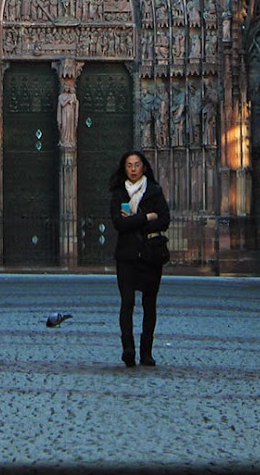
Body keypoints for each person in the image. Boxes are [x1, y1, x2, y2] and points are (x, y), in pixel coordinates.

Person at [110, 149, 171, 367]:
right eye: (129, 165)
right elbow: (119, 223)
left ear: (143, 166)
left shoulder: (154, 191)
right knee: (127, 303)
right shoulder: (119, 194)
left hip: (150, 255)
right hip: (127, 255)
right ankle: (128, 349)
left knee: (149, 304)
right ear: (124, 168)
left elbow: (164, 219)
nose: (133, 169)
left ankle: (147, 352)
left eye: (137, 164)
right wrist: (146, 217)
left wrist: (135, 221)